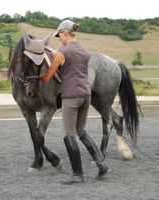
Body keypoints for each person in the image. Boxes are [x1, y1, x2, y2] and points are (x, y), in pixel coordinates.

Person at [41, 19, 109, 185]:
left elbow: (48, 77)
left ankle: (77, 175)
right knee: (81, 131)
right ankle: (102, 165)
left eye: (59, 36)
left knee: (69, 135)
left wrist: (39, 78)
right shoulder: (83, 50)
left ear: (65, 33)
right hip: (86, 95)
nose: (59, 39)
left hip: (71, 97)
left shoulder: (62, 52)